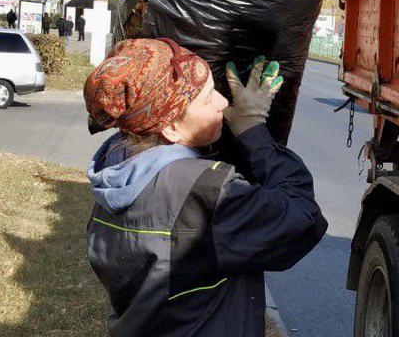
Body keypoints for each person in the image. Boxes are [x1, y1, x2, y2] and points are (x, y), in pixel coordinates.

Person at [84, 39, 327, 336]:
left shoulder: (112, 174)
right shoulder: (204, 193)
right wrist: (254, 131)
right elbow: (303, 219)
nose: (223, 103)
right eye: (208, 97)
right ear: (171, 127)